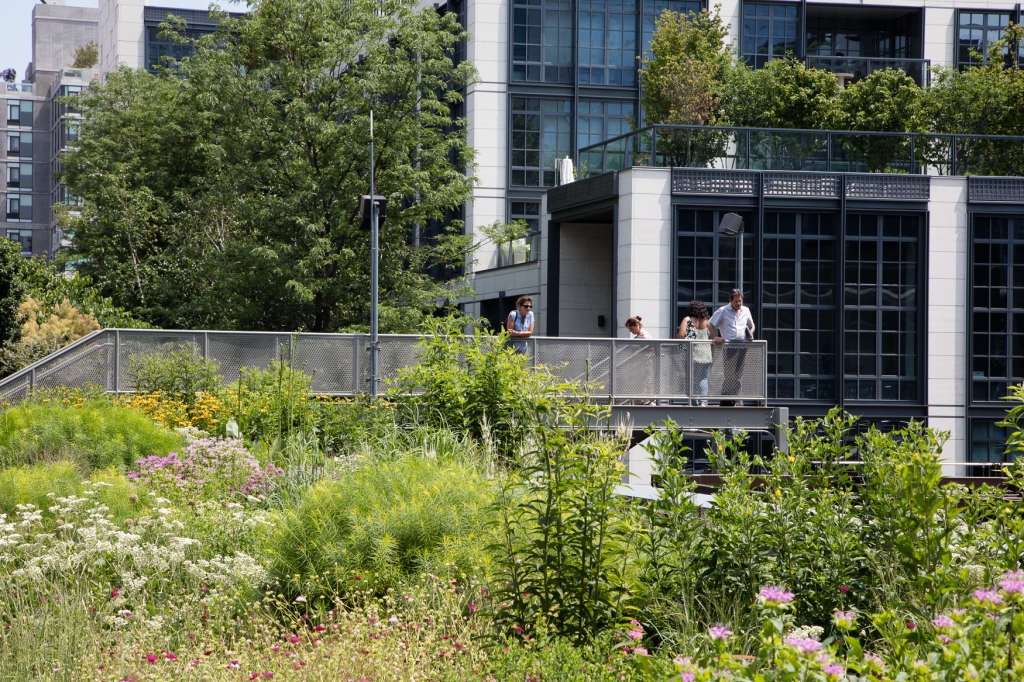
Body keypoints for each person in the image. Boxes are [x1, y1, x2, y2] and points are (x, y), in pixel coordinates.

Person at [709, 289, 755, 406]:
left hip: (742, 347)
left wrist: (750, 333)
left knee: (738, 376)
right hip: (729, 347)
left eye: (740, 301)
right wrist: (715, 336)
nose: (739, 304)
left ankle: (732, 399)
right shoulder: (723, 310)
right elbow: (710, 324)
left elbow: (752, 325)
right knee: (729, 375)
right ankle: (726, 401)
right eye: (736, 301)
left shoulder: (746, 310)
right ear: (730, 301)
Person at [677, 300, 716, 406]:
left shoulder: (687, 319)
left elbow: (681, 335)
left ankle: (694, 403)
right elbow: (713, 337)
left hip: (691, 354)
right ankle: (703, 402)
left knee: (691, 379)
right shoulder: (707, 322)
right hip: (706, 354)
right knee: (703, 378)